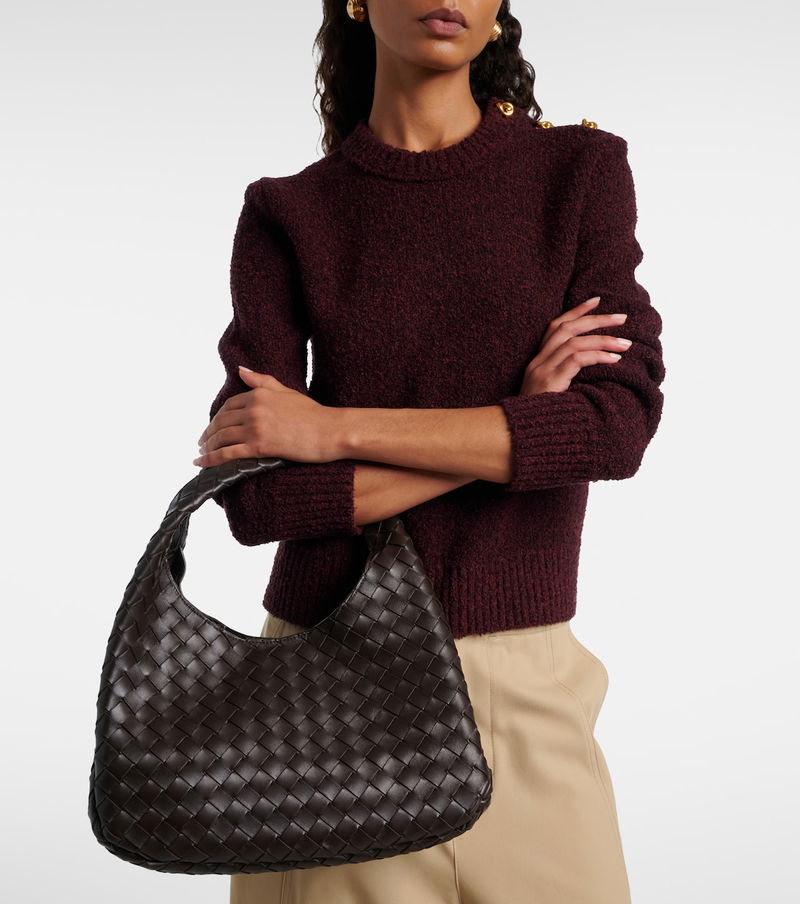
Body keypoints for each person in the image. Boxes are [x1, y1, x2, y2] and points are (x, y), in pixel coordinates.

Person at [194, 2, 665, 902]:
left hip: (528, 691)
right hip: (326, 700)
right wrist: (522, 425)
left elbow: (614, 424)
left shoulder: (578, 173)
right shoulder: (290, 211)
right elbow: (258, 500)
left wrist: (332, 430)